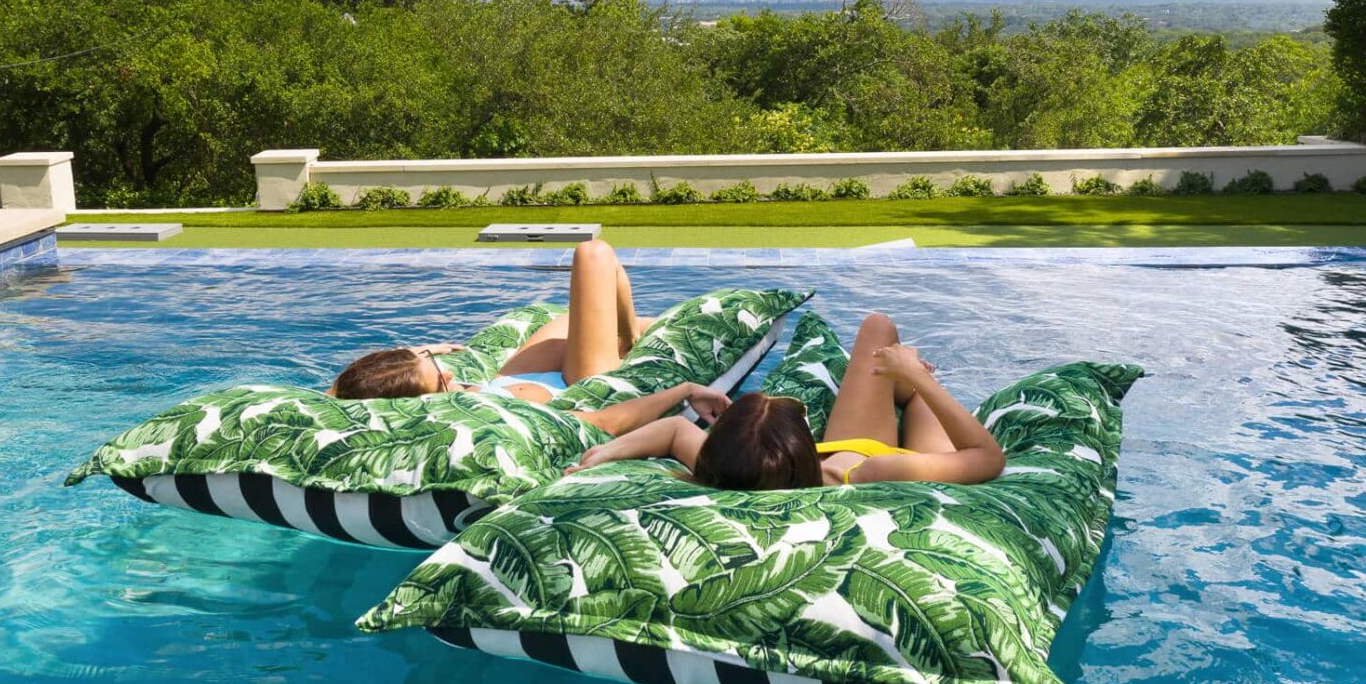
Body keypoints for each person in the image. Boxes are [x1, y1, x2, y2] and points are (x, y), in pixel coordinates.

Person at [569, 313, 1006, 488]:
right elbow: (986, 457)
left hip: (837, 450)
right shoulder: (875, 472)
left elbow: (673, 430)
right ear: (799, 447)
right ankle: (909, 383)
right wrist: (918, 379)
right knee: (917, 394)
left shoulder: (732, 472)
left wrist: (601, 455)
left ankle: (901, 380)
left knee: (877, 329)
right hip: (867, 454)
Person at [331, 239, 655, 405]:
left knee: (584, 308)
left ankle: (627, 335)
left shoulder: (450, 393)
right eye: (441, 382)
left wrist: (417, 353)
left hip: (507, 379)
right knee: (592, 254)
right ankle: (628, 337)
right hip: (581, 384)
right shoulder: (460, 414)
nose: (450, 370)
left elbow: (335, 393)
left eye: (434, 363)